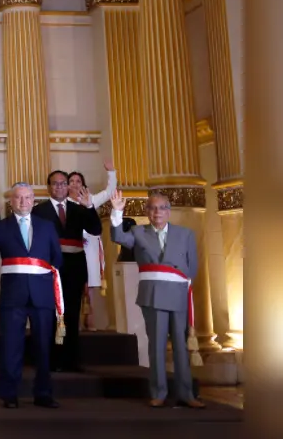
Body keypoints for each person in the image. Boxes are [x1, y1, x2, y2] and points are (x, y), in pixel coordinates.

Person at [109, 190, 205, 409]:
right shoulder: (137, 231)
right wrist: (116, 211)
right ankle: (159, 393)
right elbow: (118, 237)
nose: (157, 212)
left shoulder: (186, 234)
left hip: (178, 294)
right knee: (157, 346)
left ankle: (187, 394)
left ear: (169, 211)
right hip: (152, 295)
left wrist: (178, 280)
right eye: (152, 208)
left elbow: (193, 267)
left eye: (162, 208)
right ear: (147, 212)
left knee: (181, 346)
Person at [0, 184, 63, 409]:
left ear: (34, 200)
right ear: (11, 201)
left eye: (28, 197)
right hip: (13, 296)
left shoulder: (47, 226)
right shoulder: (2, 226)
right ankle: (9, 394)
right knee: (11, 347)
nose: (23, 202)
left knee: (44, 347)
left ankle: (43, 393)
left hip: (42, 295)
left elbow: (57, 259)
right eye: (18, 198)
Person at [31, 170, 101, 372]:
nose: (60, 187)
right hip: (49, 267)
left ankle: (71, 360)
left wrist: (89, 207)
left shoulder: (79, 209)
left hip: (75, 267)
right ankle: (52, 359)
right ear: (48, 187)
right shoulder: (39, 211)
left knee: (71, 313)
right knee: (51, 313)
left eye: (63, 183)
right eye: (55, 184)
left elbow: (96, 229)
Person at [66, 161, 117, 331]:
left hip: (90, 249)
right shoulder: (62, 204)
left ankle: (91, 322)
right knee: (73, 286)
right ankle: (74, 323)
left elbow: (109, 192)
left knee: (90, 287)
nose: (74, 183)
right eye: (71, 181)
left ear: (83, 185)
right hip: (72, 250)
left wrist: (111, 172)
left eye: (78, 181)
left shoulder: (90, 200)